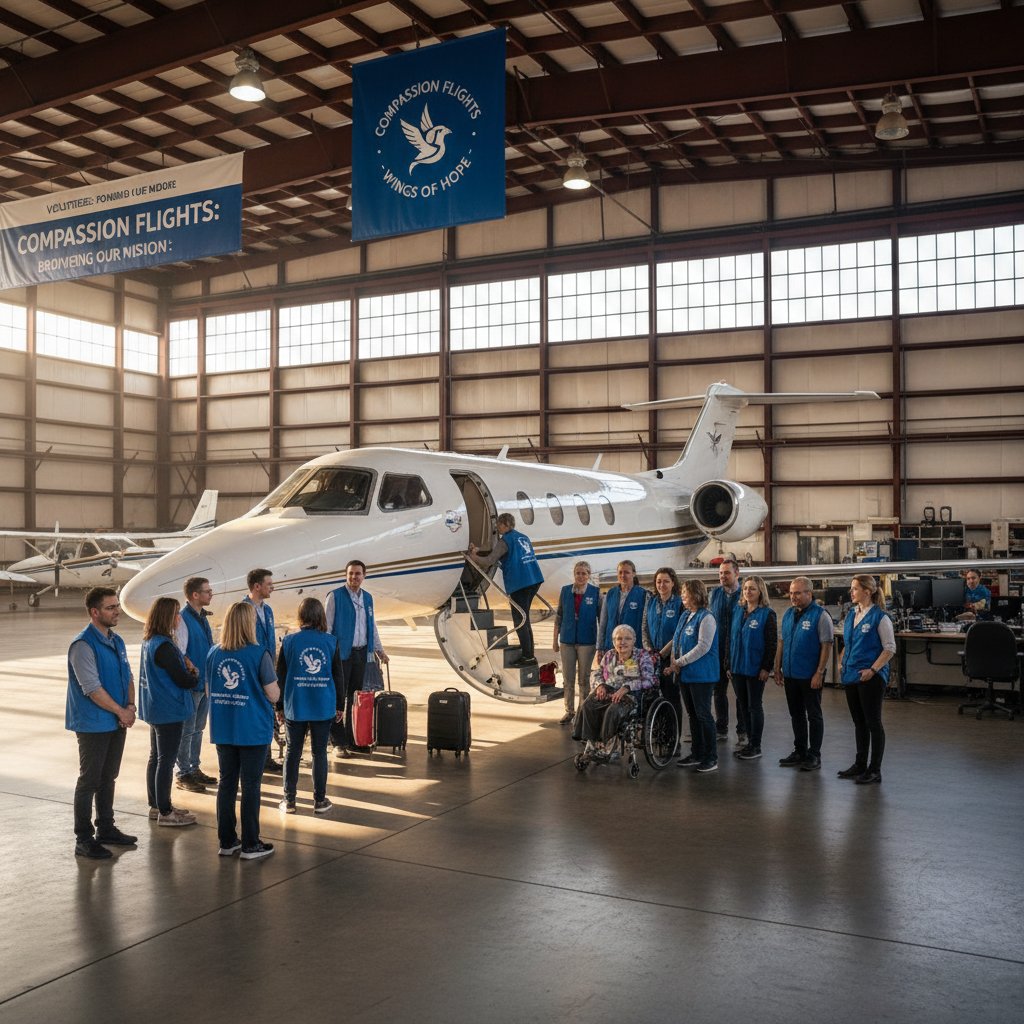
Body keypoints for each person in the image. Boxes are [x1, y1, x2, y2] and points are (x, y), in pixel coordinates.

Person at [66, 587, 138, 859]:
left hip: (117, 718)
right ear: (95, 612)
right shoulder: (83, 645)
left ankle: (105, 828)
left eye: (116, 606)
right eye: (110, 607)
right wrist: (121, 711)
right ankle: (83, 839)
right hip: (93, 723)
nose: (117, 611)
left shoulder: (116, 640)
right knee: (89, 781)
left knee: (109, 777)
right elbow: (91, 688)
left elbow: (128, 675)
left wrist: (129, 707)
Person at [207, 602, 280, 859]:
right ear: (249, 624)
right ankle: (251, 843)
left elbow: (209, 691)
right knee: (251, 785)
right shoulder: (260, 654)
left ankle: (227, 841)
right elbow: (273, 694)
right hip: (252, 728)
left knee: (227, 783)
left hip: (224, 727)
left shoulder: (213, 653)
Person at [276, 598, 344, 814]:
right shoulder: (331, 641)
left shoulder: (289, 641)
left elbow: (281, 676)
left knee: (292, 753)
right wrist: (340, 705)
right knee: (319, 753)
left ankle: (289, 801)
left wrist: (278, 706)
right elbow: (338, 677)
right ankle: (320, 800)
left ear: (301, 616)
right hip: (323, 706)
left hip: (295, 706)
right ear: (320, 616)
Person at [138, 596, 199, 826]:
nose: (179, 618)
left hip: (155, 707)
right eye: (175, 613)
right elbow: (183, 680)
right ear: (166, 617)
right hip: (169, 709)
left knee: (156, 757)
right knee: (166, 760)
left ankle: (157, 805)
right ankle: (165, 812)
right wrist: (193, 673)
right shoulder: (165, 646)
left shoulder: (150, 641)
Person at [325, 559, 390, 755]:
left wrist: (379, 649)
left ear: (364, 576)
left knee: (356, 698)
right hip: (341, 654)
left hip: (362, 653)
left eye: (358, 574)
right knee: (338, 697)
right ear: (346, 575)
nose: (354, 577)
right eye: (351, 573)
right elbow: (327, 628)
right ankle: (337, 742)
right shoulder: (335, 596)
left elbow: (372, 625)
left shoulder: (368, 598)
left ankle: (354, 739)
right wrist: (327, 654)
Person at [838, 574, 896, 785]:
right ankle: (860, 763)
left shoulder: (880, 617)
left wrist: (873, 669)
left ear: (867, 591)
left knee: (873, 722)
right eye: (851, 588)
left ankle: (875, 769)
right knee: (858, 722)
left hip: (871, 676)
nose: (851, 592)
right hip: (851, 675)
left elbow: (890, 648)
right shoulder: (852, 614)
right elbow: (849, 641)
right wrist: (841, 658)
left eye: (854, 588)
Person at [467, 512, 544, 667]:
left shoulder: (505, 541)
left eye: (499, 526)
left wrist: (473, 558)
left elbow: (489, 560)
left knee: (520, 620)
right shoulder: (522, 537)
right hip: (534, 580)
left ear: (505, 525)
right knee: (524, 619)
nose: (498, 528)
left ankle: (528, 657)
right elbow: (496, 551)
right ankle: (529, 655)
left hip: (520, 584)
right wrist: (479, 549)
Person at [774, 576, 833, 772]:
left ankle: (814, 754)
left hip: (810, 675)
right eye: (791, 593)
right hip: (791, 674)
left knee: (814, 715)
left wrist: (819, 672)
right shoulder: (789, 614)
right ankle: (799, 750)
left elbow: (827, 645)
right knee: (796, 714)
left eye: (798, 593)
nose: (793, 597)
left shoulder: (820, 615)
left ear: (809, 593)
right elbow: (781, 643)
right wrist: (777, 667)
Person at [576, 625, 656, 755]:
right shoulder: (609, 655)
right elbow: (597, 673)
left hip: (631, 696)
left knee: (613, 711)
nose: (623, 642)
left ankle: (605, 743)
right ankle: (591, 741)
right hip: (608, 691)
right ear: (614, 642)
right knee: (587, 705)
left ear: (634, 640)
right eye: (619, 639)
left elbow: (649, 680)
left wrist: (627, 687)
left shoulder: (642, 656)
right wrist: (600, 685)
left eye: (627, 639)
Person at [672, 579, 720, 773]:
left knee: (703, 715)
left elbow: (703, 646)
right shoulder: (686, 615)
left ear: (696, 594)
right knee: (693, 715)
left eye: (685, 592)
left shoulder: (706, 617)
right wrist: (672, 660)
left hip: (702, 675)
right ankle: (697, 752)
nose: (682, 596)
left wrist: (680, 662)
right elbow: (676, 639)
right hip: (686, 674)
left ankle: (711, 757)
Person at [174, 576, 216, 794]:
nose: (211, 594)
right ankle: (183, 773)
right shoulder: (182, 619)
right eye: (207, 591)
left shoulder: (201, 617)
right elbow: (179, 652)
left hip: (205, 683)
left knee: (198, 729)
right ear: (194, 595)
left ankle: (194, 767)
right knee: (187, 730)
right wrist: (193, 674)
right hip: (192, 685)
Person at [728, 575, 777, 761]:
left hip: (755, 669)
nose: (748, 591)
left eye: (753, 589)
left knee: (754, 706)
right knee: (743, 706)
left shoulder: (767, 614)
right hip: (737, 667)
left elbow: (771, 643)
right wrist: (728, 663)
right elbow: (729, 639)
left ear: (760, 592)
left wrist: (766, 668)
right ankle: (749, 743)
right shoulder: (738, 611)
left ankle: (756, 745)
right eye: (746, 588)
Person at [552, 560, 601, 724]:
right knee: (568, 678)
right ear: (574, 574)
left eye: (584, 573)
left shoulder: (595, 593)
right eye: (578, 573)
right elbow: (559, 616)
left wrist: (600, 645)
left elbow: (602, 619)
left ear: (589, 575)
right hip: (567, 640)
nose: (581, 576)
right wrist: (555, 640)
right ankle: (569, 711)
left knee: (584, 679)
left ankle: (582, 711)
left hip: (587, 642)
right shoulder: (565, 591)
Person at [244, 568, 282, 774]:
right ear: (257, 586)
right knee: (253, 714)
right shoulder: (243, 609)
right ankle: (254, 756)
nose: (272, 587)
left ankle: (266, 757)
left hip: (266, 669)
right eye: (269, 584)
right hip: (251, 669)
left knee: (268, 713)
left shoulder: (267, 610)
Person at [642, 567, 684, 743]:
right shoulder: (651, 601)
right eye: (659, 581)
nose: (662, 584)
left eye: (666, 581)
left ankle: (673, 738)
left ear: (673, 583)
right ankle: (659, 735)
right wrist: (649, 650)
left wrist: (662, 653)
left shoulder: (680, 603)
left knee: (671, 697)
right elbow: (644, 627)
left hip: (671, 657)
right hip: (652, 655)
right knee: (654, 697)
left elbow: (679, 633)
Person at [709, 557, 742, 744]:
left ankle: (742, 731)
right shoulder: (714, 594)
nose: (723, 576)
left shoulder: (744, 595)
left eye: (727, 573)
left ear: (737, 573)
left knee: (740, 694)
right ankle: (721, 728)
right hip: (718, 651)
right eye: (720, 573)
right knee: (718, 692)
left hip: (737, 652)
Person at [597, 560, 646, 659]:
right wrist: (600, 647)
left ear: (634, 574)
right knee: (612, 674)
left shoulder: (643, 594)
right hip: (611, 646)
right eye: (620, 572)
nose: (623, 575)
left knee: (631, 674)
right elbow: (603, 623)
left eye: (627, 572)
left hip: (633, 648)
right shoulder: (610, 593)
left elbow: (645, 625)